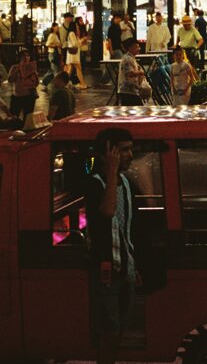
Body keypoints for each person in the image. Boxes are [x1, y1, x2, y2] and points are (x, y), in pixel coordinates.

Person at [85, 127, 138, 364]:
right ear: (108, 153)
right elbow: (107, 211)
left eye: (130, 150)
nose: (130, 155)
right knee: (109, 331)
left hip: (125, 266)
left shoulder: (124, 182)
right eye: (123, 150)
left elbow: (127, 227)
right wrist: (111, 171)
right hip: (105, 270)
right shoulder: (95, 183)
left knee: (121, 327)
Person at [7, 49, 40, 120]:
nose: (26, 58)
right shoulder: (14, 67)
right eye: (23, 56)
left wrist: (34, 74)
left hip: (29, 96)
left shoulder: (31, 67)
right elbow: (10, 80)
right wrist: (18, 69)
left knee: (28, 118)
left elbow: (36, 83)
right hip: (17, 96)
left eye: (28, 56)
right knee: (13, 117)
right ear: (19, 58)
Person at [117, 40, 146, 106]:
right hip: (128, 91)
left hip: (131, 90)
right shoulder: (128, 59)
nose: (138, 49)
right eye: (136, 47)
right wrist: (140, 72)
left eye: (139, 47)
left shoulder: (131, 58)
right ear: (130, 48)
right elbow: (130, 73)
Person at [65, 19, 89, 90]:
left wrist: (81, 40)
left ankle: (65, 83)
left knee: (70, 70)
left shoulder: (74, 34)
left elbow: (77, 43)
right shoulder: (72, 33)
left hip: (74, 54)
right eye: (76, 26)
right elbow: (75, 44)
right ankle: (82, 84)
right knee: (78, 69)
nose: (77, 27)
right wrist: (82, 40)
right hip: (73, 55)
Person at [42, 22, 64, 87]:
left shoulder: (55, 35)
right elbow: (47, 44)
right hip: (53, 54)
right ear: (53, 27)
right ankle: (57, 84)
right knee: (55, 69)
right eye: (57, 26)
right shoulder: (52, 35)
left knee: (53, 69)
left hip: (55, 53)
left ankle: (44, 81)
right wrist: (56, 45)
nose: (58, 28)